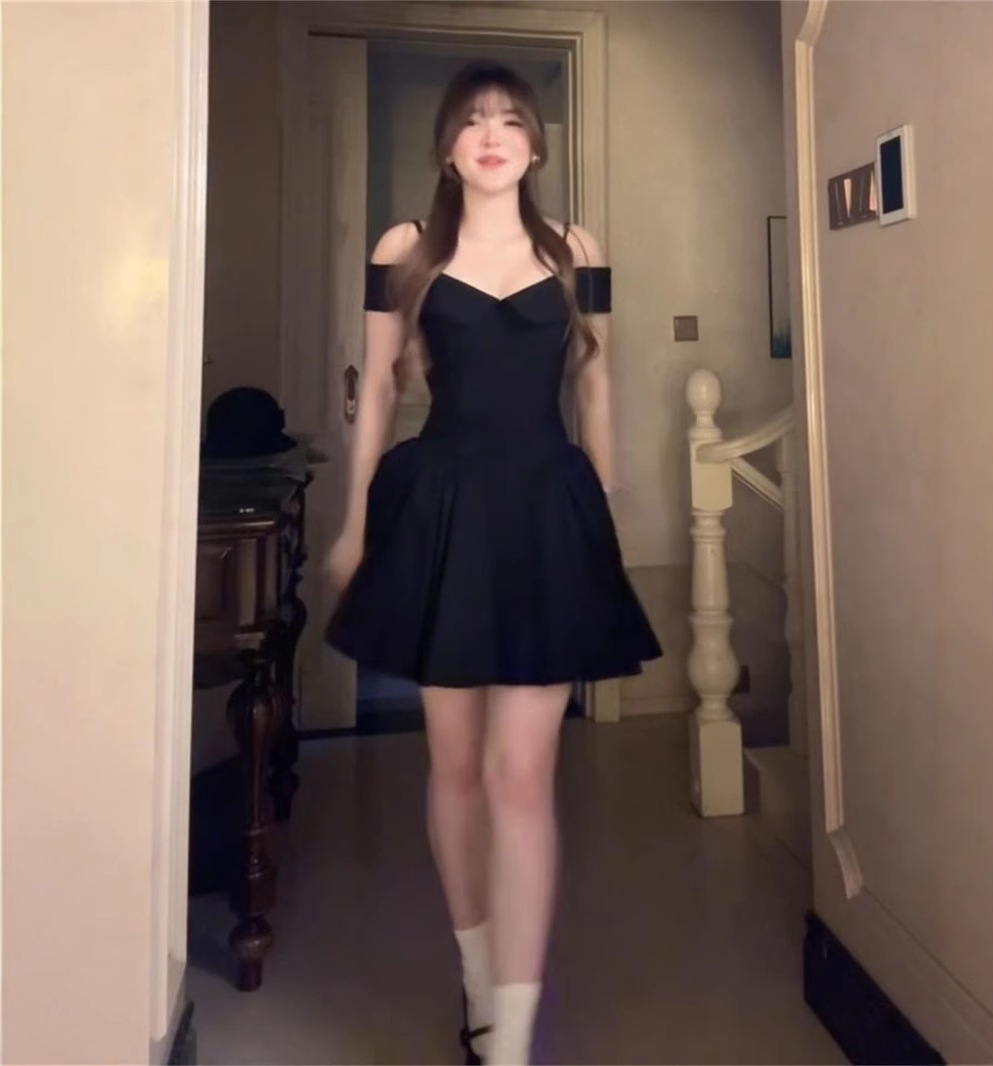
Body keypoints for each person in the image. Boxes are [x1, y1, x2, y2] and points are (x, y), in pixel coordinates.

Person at [325, 60, 661, 1066]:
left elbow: (597, 382)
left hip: (547, 510)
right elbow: (380, 393)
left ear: (536, 144)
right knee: (458, 766)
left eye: (511, 120)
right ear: (447, 146)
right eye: (471, 120)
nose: (491, 134)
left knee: (523, 774)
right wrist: (354, 525)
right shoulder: (404, 249)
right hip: (441, 509)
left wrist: (602, 512)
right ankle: (477, 978)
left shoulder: (577, 250)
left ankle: (510, 1037)